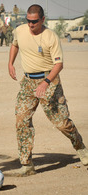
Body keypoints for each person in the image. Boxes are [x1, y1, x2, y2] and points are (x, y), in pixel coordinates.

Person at [8, 4, 88, 176]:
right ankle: (27, 164)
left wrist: (45, 82)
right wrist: (10, 63)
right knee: (21, 121)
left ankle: (80, 147)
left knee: (62, 123)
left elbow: (59, 64)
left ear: (43, 20)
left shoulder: (51, 37)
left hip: (49, 82)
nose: (30, 25)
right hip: (28, 82)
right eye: (28, 21)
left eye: (34, 21)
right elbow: (15, 44)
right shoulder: (20, 31)